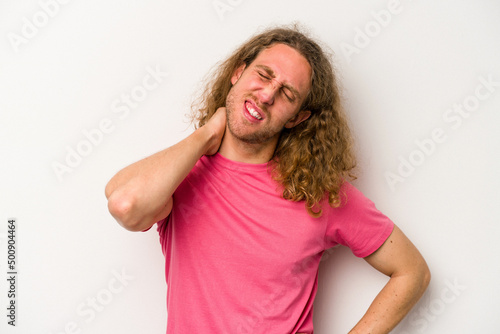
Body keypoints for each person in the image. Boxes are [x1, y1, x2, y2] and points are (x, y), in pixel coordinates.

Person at [105, 25, 430, 334]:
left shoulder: (316, 190)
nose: (267, 95)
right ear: (238, 73)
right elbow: (126, 204)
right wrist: (206, 135)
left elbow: (411, 272)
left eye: (287, 93)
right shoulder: (181, 174)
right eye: (264, 75)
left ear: (298, 117)